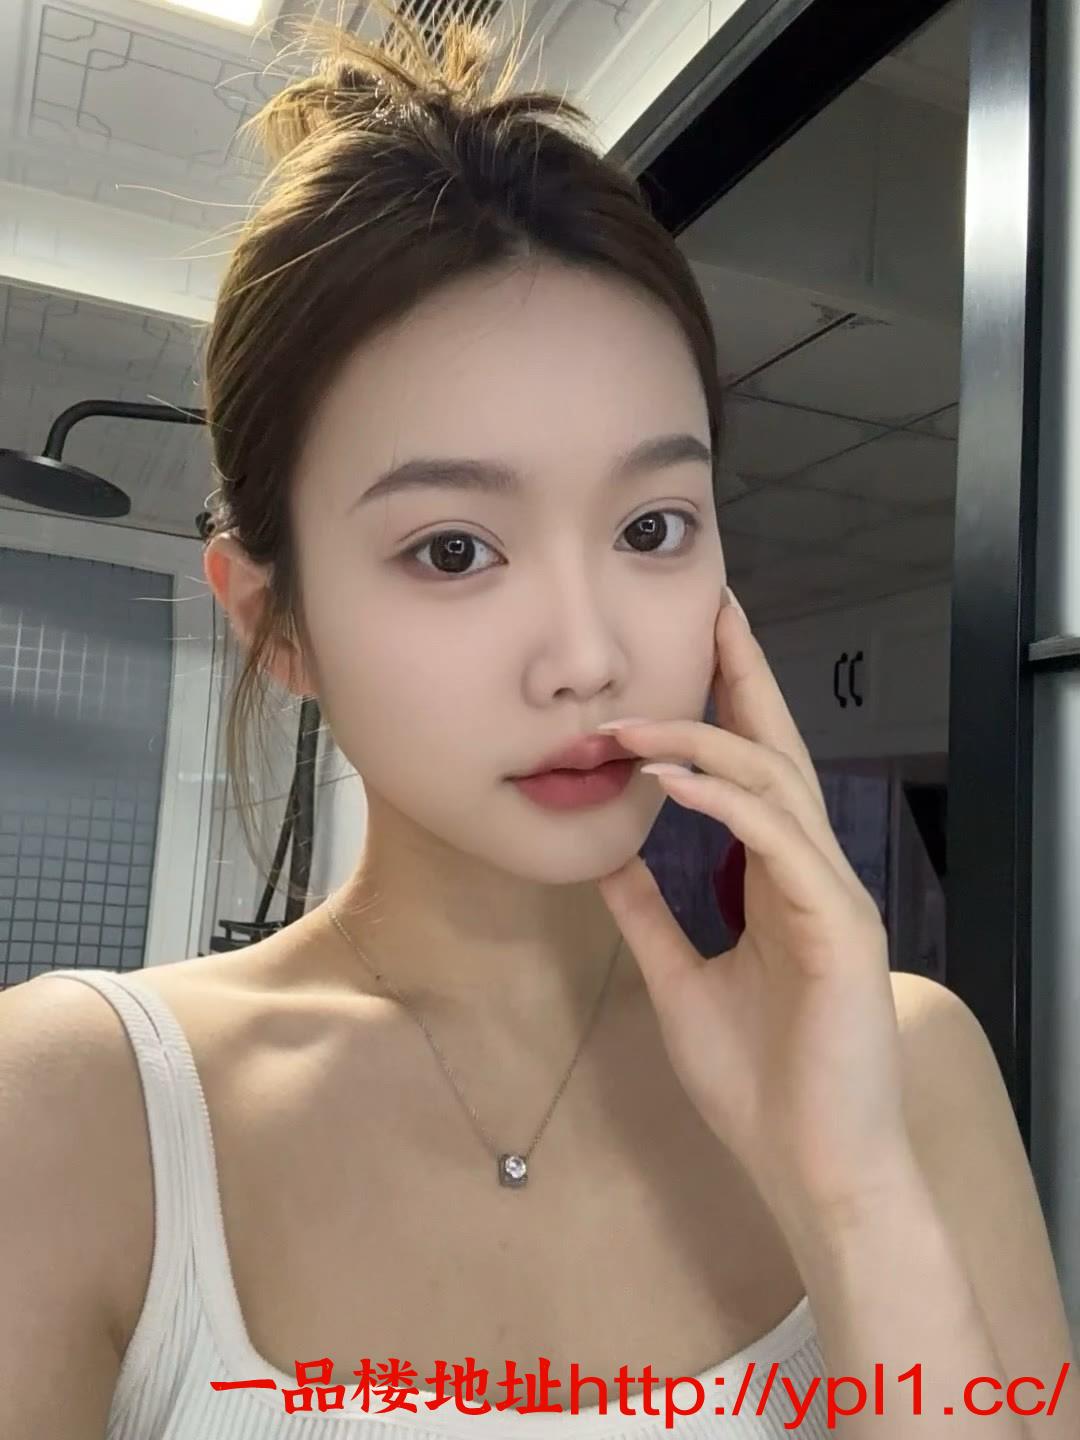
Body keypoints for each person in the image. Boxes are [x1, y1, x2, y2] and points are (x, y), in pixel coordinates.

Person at [1, 7, 1076, 1438]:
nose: (588, 659)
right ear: (277, 622)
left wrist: (851, 1189)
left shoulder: (911, 1064)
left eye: (651, 526)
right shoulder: (78, 1109)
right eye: (453, 549)